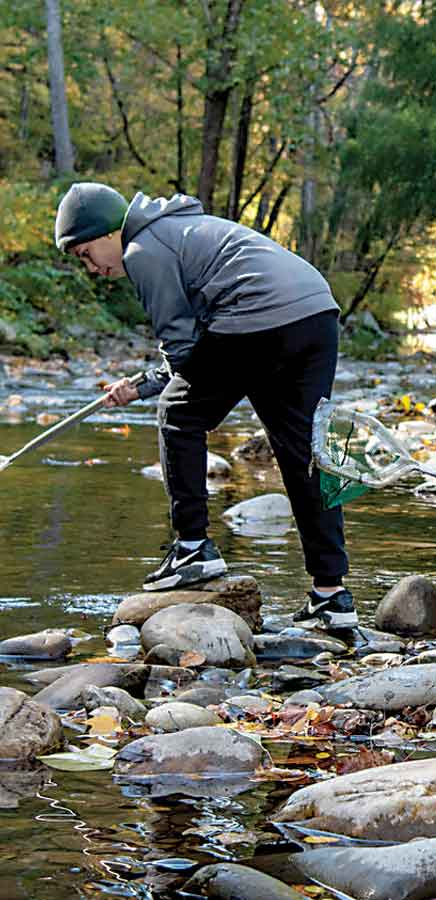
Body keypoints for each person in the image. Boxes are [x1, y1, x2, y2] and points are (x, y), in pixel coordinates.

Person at [54, 182, 358, 631]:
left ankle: (192, 546)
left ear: (106, 232)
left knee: (178, 415)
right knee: (303, 453)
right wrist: (140, 385)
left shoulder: (143, 250)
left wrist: (154, 389)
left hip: (259, 315)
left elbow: (183, 355)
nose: (91, 267)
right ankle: (331, 593)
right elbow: (197, 351)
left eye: (85, 254)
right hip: (315, 313)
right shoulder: (178, 228)